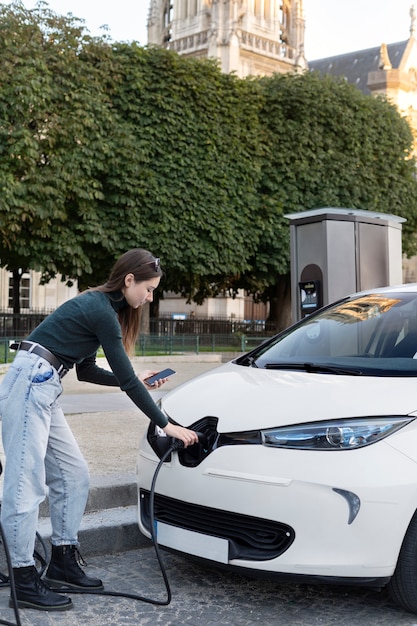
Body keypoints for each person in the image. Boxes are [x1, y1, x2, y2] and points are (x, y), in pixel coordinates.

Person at [0, 248, 199, 612]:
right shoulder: (99, 309)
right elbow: (125, 379)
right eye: (149, 289)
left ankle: (62, 559)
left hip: (45, 384)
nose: (150, 297)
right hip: (31, 383)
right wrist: (166, 425)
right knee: (25, 483)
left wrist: (134, 379)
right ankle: (23, 578)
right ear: (129, 281)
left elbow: (87, 370)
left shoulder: (102, 309)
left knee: (74, 475)